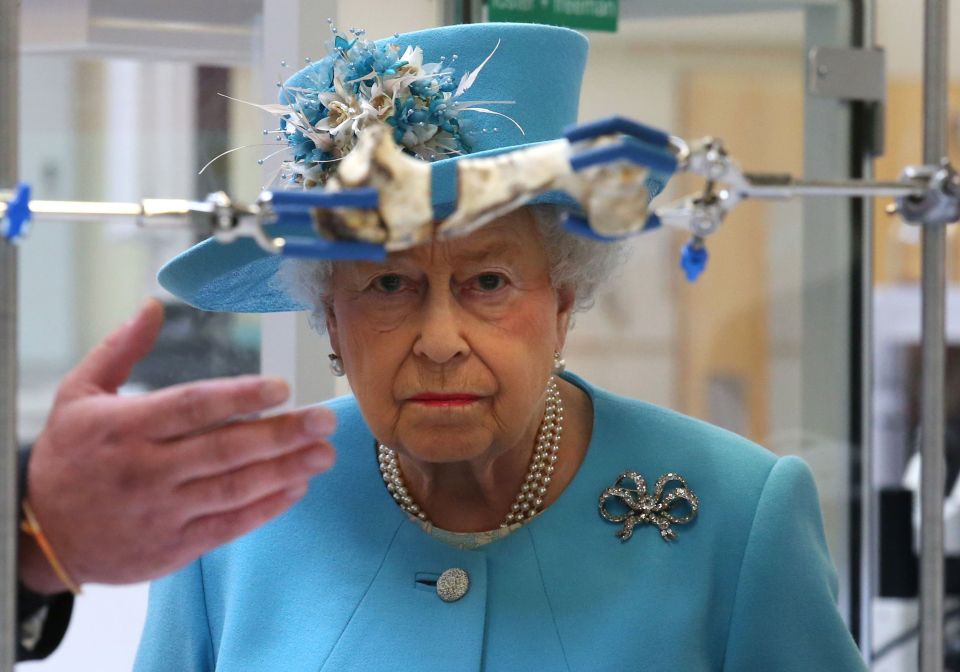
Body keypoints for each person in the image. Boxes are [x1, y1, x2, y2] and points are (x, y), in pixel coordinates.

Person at [134, 22, 867, 670]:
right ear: (330, 319)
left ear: (563, 299)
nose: (441, 341)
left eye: (488, 281)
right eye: (389, 286)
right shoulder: (232, 516)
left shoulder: (739, 516)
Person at [16, 298, 336, 660]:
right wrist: (37, 531)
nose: (417, 337)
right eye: (390, 284)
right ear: (334, 320)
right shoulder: (235, 502)